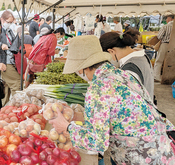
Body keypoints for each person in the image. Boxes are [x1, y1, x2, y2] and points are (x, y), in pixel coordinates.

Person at [49, 35, 175, 165]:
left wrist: (67, 127)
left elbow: (97, 143)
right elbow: (113, 115)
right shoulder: (121, 74)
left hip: (141, 156)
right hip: (160, 149)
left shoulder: (98, 88)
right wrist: (75, 116)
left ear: (82, 68)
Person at [100, 29, 154, 99]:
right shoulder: (141, 56)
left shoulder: (130, 69)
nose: (111, 59)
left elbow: (128, 99)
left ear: (111, 51)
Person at [0, 10, 21, 105]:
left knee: (6, 87)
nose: (9, 24)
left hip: (11, 60)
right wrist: (0, 45)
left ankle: (4, 108)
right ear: (2, 20)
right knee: (16, 83)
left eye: (11, 22)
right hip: (5, 61)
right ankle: (15, 106)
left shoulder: (9, 30)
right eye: (8, 22)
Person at [154, 14, 174, 82]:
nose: (166, 20)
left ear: (170, 19)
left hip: (165, 45)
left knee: (159, 61)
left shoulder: (165, 27)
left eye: (167, 18)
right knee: (171, 62)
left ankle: (157, 76)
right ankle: (170, 78)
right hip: (173, 46)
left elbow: (159, 37)